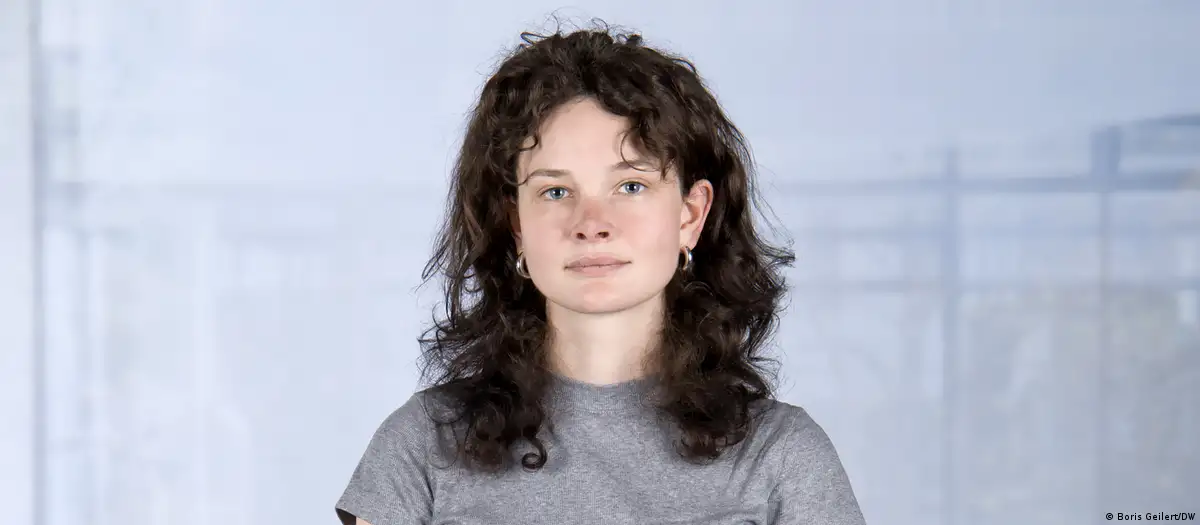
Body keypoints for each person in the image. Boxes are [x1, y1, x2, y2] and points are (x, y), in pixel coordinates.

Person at [335, 22, 867, 525]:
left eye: (631, 186)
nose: (591, 224)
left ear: (690, 215)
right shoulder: (423, 445)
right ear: (517, 225)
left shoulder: (783, 457)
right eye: (555, 191)